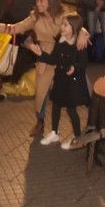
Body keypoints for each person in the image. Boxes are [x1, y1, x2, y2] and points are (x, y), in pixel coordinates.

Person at [0, 0, 89, 138]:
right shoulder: (35, 16)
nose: (39, 4)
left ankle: (89, 121)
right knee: (41, 93)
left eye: (42, 1)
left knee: (78, 87)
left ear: (51, 0)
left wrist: (83, 33)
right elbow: (17, 27)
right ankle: (40, 122)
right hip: (44, 56)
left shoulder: (64, 12)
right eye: (37, 1)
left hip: (64, 54)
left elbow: (77, 24)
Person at [25, 13, 91, 149]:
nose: (62, 27)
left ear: (74, 28)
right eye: (62, 24)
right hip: (60, 80)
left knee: (71, 110)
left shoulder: (79, 44)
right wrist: (41, 54)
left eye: (65, 25)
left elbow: (84, 63)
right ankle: (55, 132)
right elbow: (53, 59)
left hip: (72, 83)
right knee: (56, 106)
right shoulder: (60, 42)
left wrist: (75, 67)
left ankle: (78, 137)